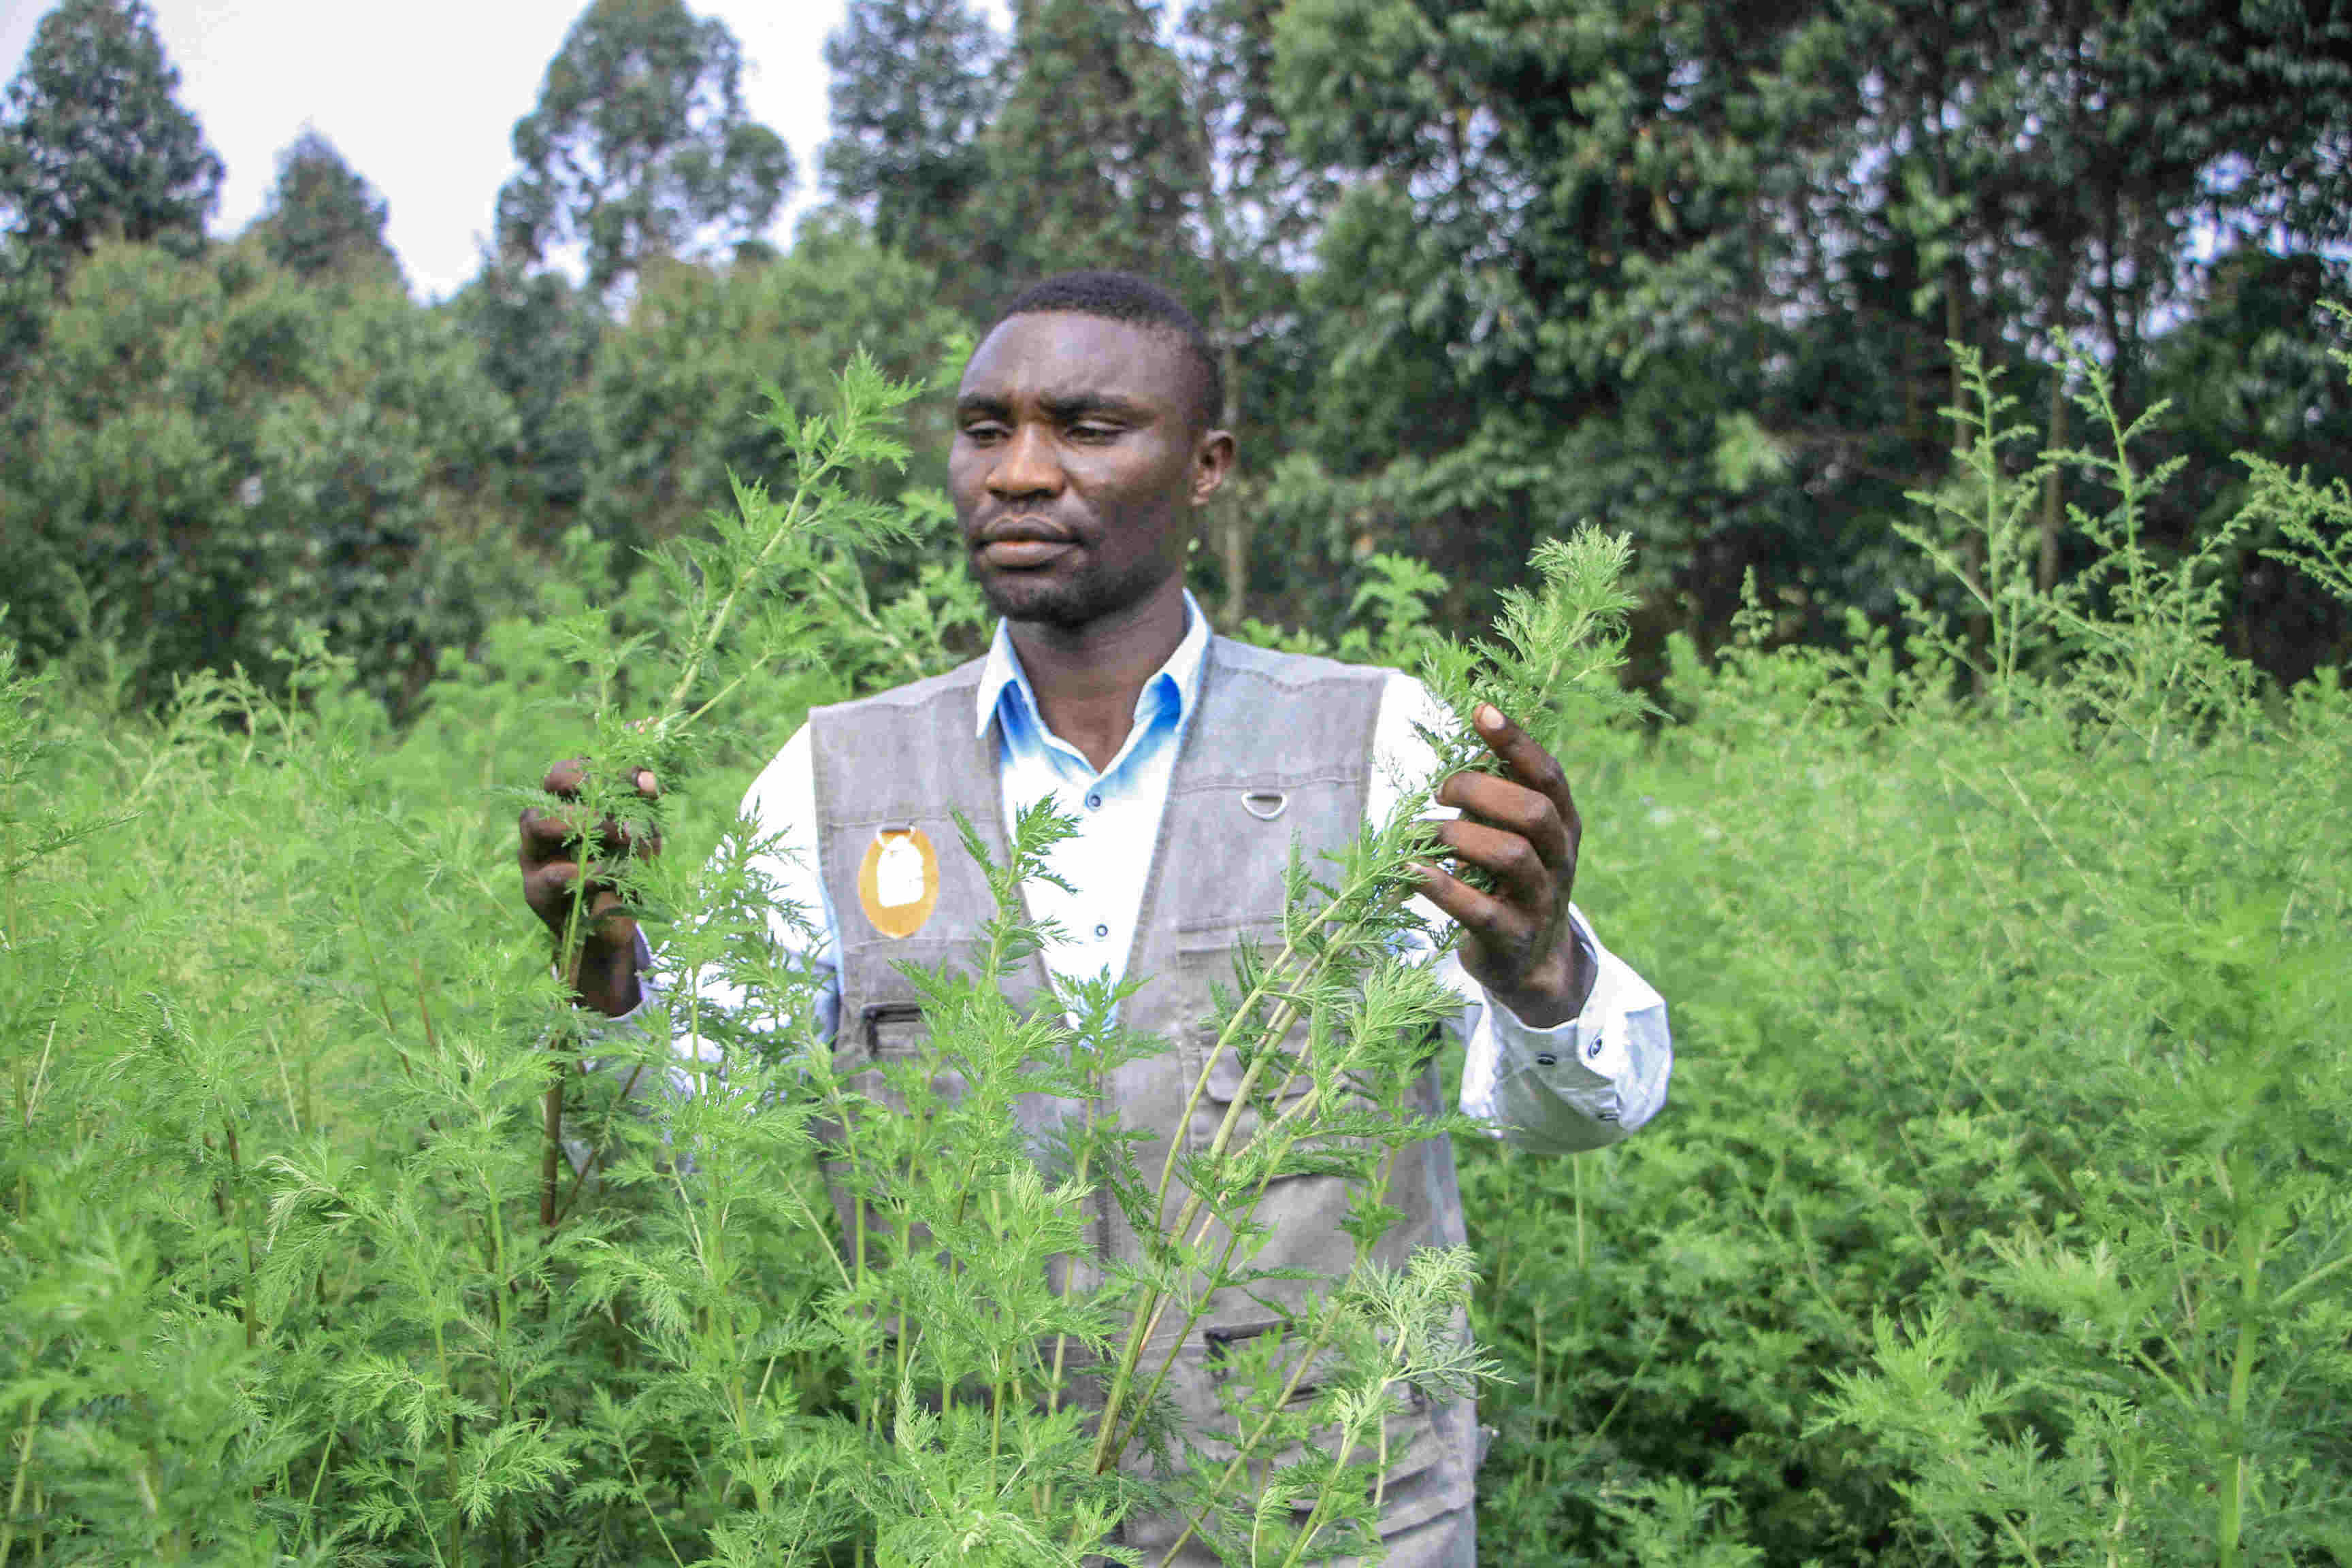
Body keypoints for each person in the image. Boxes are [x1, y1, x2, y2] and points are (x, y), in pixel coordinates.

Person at [519, 270, 1670, 1565]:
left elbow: (1586, 1110)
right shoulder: (837, 780)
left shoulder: (1379, 746)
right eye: (984, 428)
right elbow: (681, 1152)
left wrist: (1538, 972)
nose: (1018, 471)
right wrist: (607, 984)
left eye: (1086, 426)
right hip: (977, 1523)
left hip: (1328, 1527)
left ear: (1206, 466)